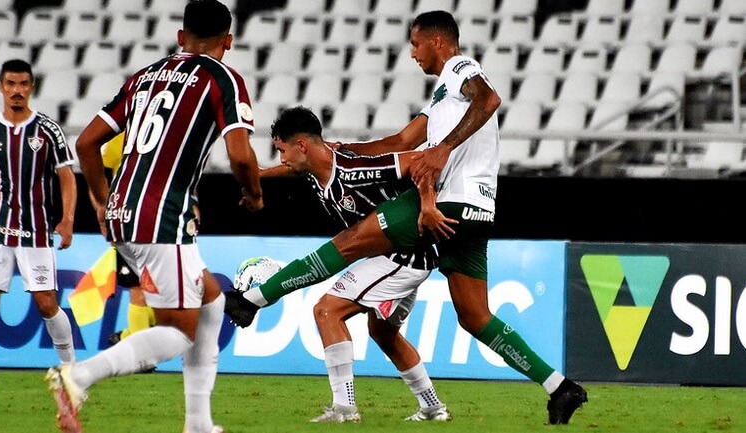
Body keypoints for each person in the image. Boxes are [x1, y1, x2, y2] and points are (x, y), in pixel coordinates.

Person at [225, 10, 588, 425]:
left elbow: (489, 100)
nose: (413, 54)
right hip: (479, 208)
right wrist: (347, 151)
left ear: (436, 41)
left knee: (349, 242)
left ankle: (252, 299)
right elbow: (396, 142)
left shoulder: (459, 68)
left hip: (450, 201)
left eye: (415, 44)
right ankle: (560, 387)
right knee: (474, 317)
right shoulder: (440, 101)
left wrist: (443, 149)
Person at [45, 2, 264, 433]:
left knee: (212, 300)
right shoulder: (223, 78)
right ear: (229, 41)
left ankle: (199, 424)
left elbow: (87, 142)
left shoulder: (144, 76)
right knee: (178, 331)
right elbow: (240, 156)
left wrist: (103, 199)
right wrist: (253, 194)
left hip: (124, 211)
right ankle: (77, 376)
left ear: (181, 37)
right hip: (163, 215)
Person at [261, 106, 450, 423]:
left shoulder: (350, 169)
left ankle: (345, 409)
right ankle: (433, 407)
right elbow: (290, 170)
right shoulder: (321, 164)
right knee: (383, 333)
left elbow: (419, 163)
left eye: (282, 150)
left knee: (326, 310)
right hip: (407, 256)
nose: (281, 159)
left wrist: (428, 204)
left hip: (399, 255)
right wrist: (257, 175)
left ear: (302, 145)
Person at [0, 59, 77, 391]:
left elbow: (66, 179)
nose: (17, 90)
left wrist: (67, 219)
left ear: (31, 87)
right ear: (0, 87)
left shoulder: (48, 131)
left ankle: (70, 369)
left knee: (46, 303)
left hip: (35, 228)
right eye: (11, 84)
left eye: (23, 84)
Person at [100, 133, 156, 347]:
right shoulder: (117, 140)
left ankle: (126, 338)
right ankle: (142, 356)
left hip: (160, 222)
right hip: (127, 222)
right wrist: (104, 212)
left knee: (174, 296)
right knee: (138, 289)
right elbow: (99, 177)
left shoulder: (168, 134)